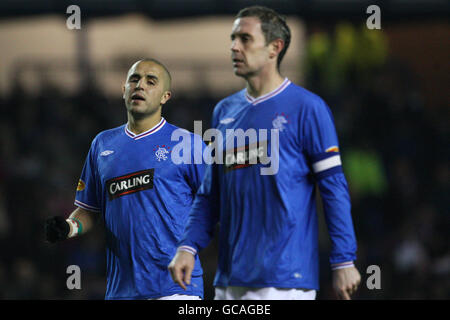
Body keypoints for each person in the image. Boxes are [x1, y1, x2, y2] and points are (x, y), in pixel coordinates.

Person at [168, 6, 361, 300]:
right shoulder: (224, 112)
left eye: (245, 39)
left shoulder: (307, 108)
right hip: (230, 280)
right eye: (233, 38)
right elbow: (210, 195)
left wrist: (344, 259)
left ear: (275, 48)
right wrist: (187, 246)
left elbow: (333, 187)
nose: (234, 46)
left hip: (285, 279)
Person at [44, 59, 205, 300]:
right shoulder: (102, 144)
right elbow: (90, 209)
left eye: (151, 81)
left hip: (176, 288)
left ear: (165, 96)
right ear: (124, 90)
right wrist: (68, 227)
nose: (140, 85)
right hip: (122, 291)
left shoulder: (188, 144)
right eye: (134, 79)